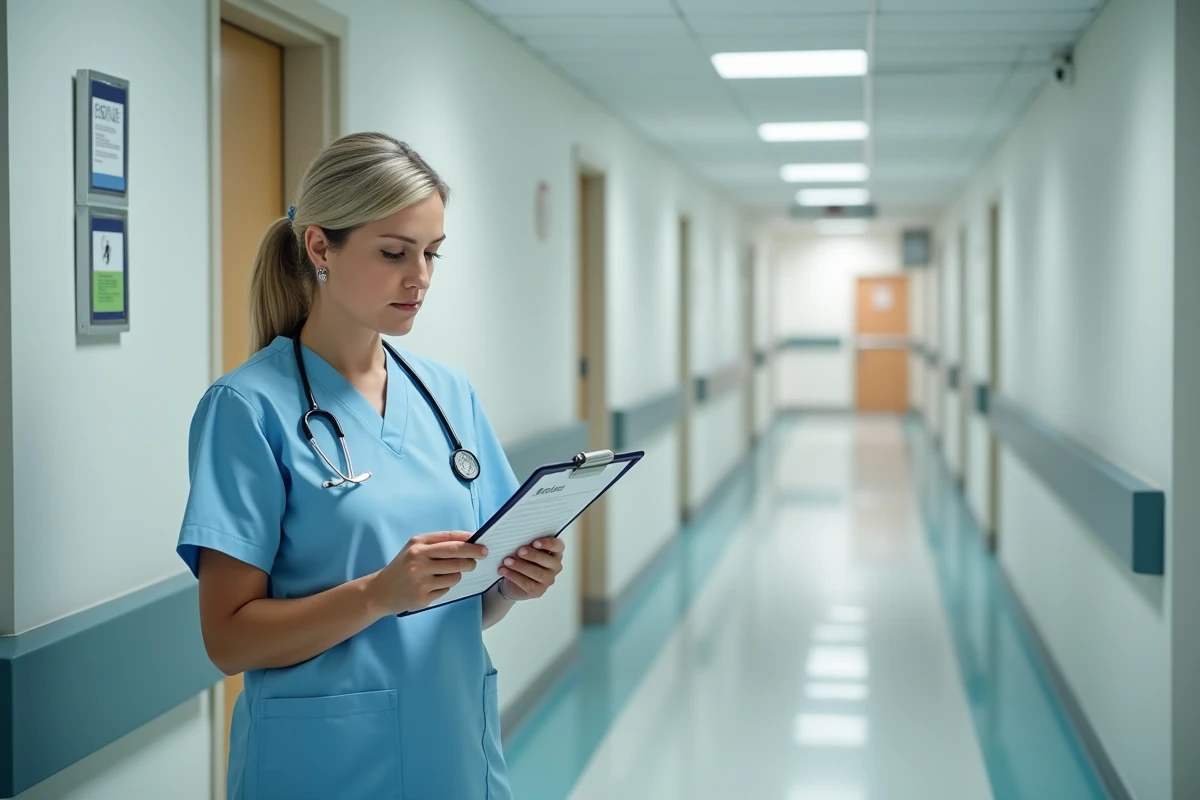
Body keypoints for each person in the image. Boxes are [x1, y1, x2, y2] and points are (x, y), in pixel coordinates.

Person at [176, 132, 565, 800]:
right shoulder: (247, 408)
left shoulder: (449, 396)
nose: (420, 277)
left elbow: (465, 605)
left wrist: (510, 584)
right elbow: (230, 641)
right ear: (321, 247)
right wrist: (376, 595)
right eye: (394, 253)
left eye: (432, 253)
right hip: (324, 767)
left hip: (455, 755)